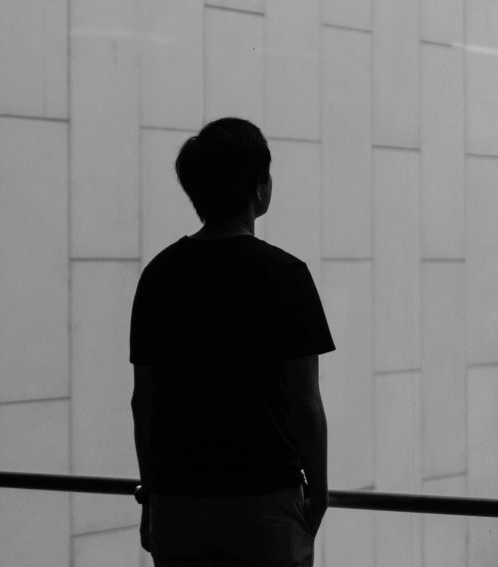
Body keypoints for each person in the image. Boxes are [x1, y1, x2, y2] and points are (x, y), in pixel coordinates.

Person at [129, 117, 335, 566]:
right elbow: (305, 404)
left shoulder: (159, 275)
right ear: (259, 187)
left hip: (180, 501)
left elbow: (144, 401)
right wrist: (318, 494)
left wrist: (152, 496)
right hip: (265, 502)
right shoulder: (286, 275)